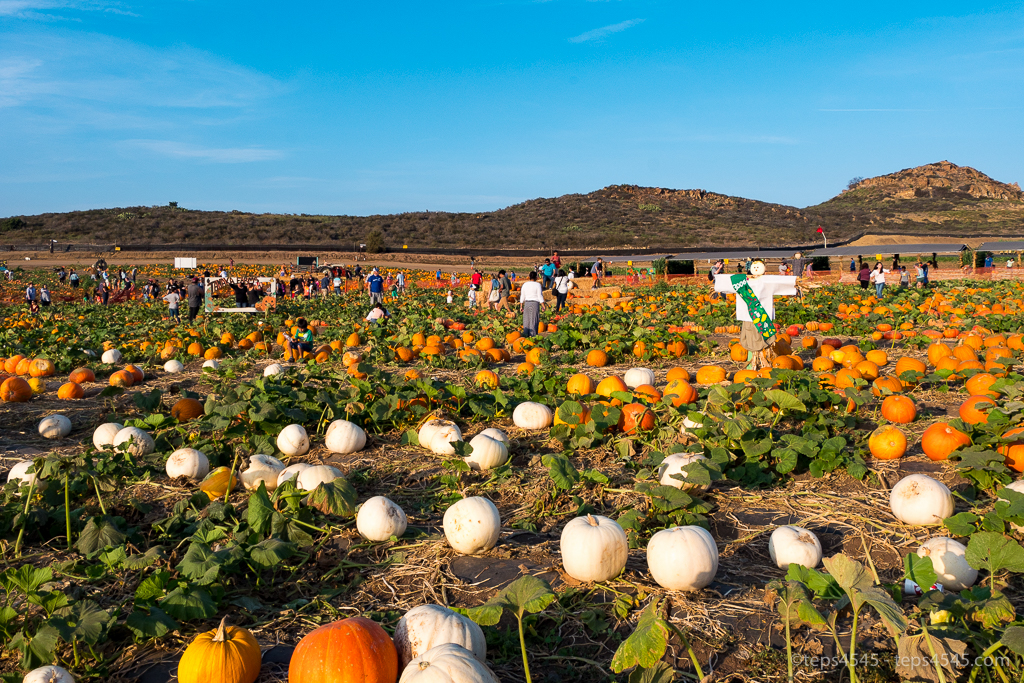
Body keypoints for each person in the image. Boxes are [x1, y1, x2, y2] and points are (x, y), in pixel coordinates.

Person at [519, 271, 545, 337]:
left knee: (526, 320)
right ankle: (533, 337)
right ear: (536, 277)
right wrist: (543, 305)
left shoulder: (525, 284)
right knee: (533, 320)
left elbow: (522, 296)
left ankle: (526, 336)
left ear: (529, 276)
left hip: (527, 303)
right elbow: (539, 296)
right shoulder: (538, 285)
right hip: (535, 303)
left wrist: (521, 306)